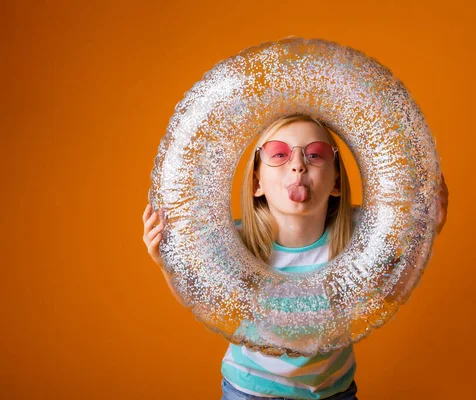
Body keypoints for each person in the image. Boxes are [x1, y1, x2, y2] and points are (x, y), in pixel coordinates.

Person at [142, 114, 449, 399]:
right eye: (279, 153)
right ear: (256, 183)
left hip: (333, 391)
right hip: (250, 391)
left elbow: (393, 289)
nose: (298, 165)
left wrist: (429, 230)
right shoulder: (236, 242)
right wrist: (165, 264)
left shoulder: (360, 237)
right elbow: (200, 297)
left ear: (337, 183)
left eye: (315, 154)